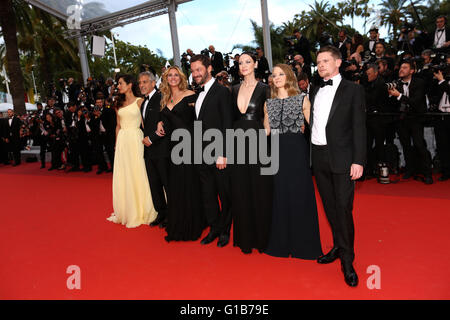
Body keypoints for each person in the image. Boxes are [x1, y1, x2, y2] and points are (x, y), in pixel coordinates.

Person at [308, 45, 366, 287]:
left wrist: (359, 160)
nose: (320, 65)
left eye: (325, 61)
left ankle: (347, 260)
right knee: (330, 209)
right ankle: (337, 247)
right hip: (318, 157)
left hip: (343, 159)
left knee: (343, 209)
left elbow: (359, 126)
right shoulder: (314, 89)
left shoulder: (353, 90)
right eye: (318, 62)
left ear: (338, 62)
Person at [264, 63, 323, 260]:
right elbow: (265, 132)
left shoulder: (302, 99)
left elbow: (315, 128)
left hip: (297, 152)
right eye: (274, 75)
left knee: (300, 194)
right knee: (280, 196)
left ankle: (303, 245)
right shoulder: (268, 103)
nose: (277, 77)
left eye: (281, 74)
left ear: (289, 76)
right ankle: (281, 243)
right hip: (277, 153)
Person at [230, 52, 272, 254]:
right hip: (237, 142)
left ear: (255, 64)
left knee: (259, 190)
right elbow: (230, 120)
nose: (244, 65)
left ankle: (262, 239)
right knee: (240, 190)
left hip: (258, 141)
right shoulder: (234, 88)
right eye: (240, 63)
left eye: (248, 61)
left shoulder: (265, 88)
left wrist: (264, 137)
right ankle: (245, 239)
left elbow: (268, 116)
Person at [190, 54, 233, 247]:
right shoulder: (198, 94)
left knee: (224, 194)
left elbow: (227, 124)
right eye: (192, 71)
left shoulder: (221, 92)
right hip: (201, 153)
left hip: (218, 153)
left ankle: (225, 230)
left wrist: (224, 153)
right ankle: (214, 228)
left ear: (209, 69)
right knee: (208, 194)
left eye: (198, 69)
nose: (195, 74)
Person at [158, 66, 205, 241]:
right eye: (169, 75)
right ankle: (178, 220)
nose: (173, 78)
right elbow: (166, 120)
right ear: (166, 78)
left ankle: (193, 222)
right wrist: (160, 122)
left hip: (188, 144)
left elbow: (198, 120)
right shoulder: (165, 99)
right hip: (172, 146)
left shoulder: (191, 94)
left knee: (189, 183)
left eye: (176, 75)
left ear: (181, 77)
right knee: (176, 184)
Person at [107, 74, 157, 228]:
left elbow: (144, 123)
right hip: (123, 141)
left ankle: (144, 208)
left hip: (136, 139)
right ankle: (129, 209)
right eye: (118, 84)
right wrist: (116, 144)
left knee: (138, 171)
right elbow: (118, 125)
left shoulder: (140, 101)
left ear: (129, 85)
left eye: (121, 83)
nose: (118, 86)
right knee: (126, 173)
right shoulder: (118, 104)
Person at [388, 60, 433, 184]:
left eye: (405, 67)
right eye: (400, 67)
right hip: (402, 120)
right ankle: (409, 170)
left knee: (419, 145)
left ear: (412, 71)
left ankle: (427, 173)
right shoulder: (396, 83)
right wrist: (390, 95)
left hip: (416, 119)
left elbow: (415, 102)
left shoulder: (419, 83)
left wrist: (398, 96)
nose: (401, 69)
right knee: (406, 146)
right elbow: (392, 105)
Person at [139, 71, 170, 229]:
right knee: (154, 184)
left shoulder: (160, 97)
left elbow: (164, 122)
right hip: (149, 151)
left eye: (145, 82)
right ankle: (161, 213)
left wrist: (151, 138)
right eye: (140, 83)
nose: (142, 85)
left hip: (161, 148)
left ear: (153, 83)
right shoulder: (144, 103)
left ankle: (171, 215)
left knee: (166, 183)